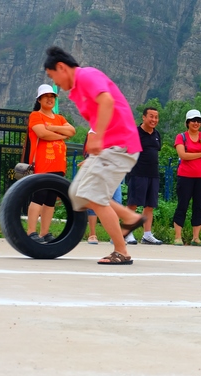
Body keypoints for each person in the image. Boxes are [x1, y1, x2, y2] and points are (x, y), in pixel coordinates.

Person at [44, 46, 144, 265]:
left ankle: (122, 251)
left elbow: (107, 101)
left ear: (61, 67)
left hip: (119, 144)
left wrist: (97, 136)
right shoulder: (77, 90)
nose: (56, 84)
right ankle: (129, 217)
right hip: (108, 147)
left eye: (54, 77)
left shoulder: (86, 75)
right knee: (78, 193)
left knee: (94, 196)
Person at [25, 84, 75, 243]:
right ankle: (31, 232)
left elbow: (72, 131)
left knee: (51, 199)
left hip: (58, 164)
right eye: (46, 96)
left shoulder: (59, 118)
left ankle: (44, 233)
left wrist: (52, 127)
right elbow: (41, 133)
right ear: (39, 99)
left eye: (52, 96)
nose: (49, 99)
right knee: (39, 196)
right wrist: (61, 135)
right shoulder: (35, 115)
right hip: (42, 163)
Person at [172, 109, 201, 246]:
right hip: (185, 175)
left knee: (199, 206)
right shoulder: (181, 137)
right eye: (193, 121)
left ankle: (196, 238)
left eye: (198, 121)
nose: (196, 123)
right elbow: (183, 155)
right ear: (187, 122)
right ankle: (178, 236)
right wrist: (200, 154)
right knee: (182, 205)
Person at [125, 107, 163, 245]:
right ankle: (127, 233)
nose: (154, 120)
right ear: (144, 117)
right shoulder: (135, 133)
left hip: (153, 174)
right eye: (151, 116)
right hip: (137, 173)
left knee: (150, 205)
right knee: (133, 204)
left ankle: (147, 235)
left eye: (156, 117)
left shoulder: (157, 134)